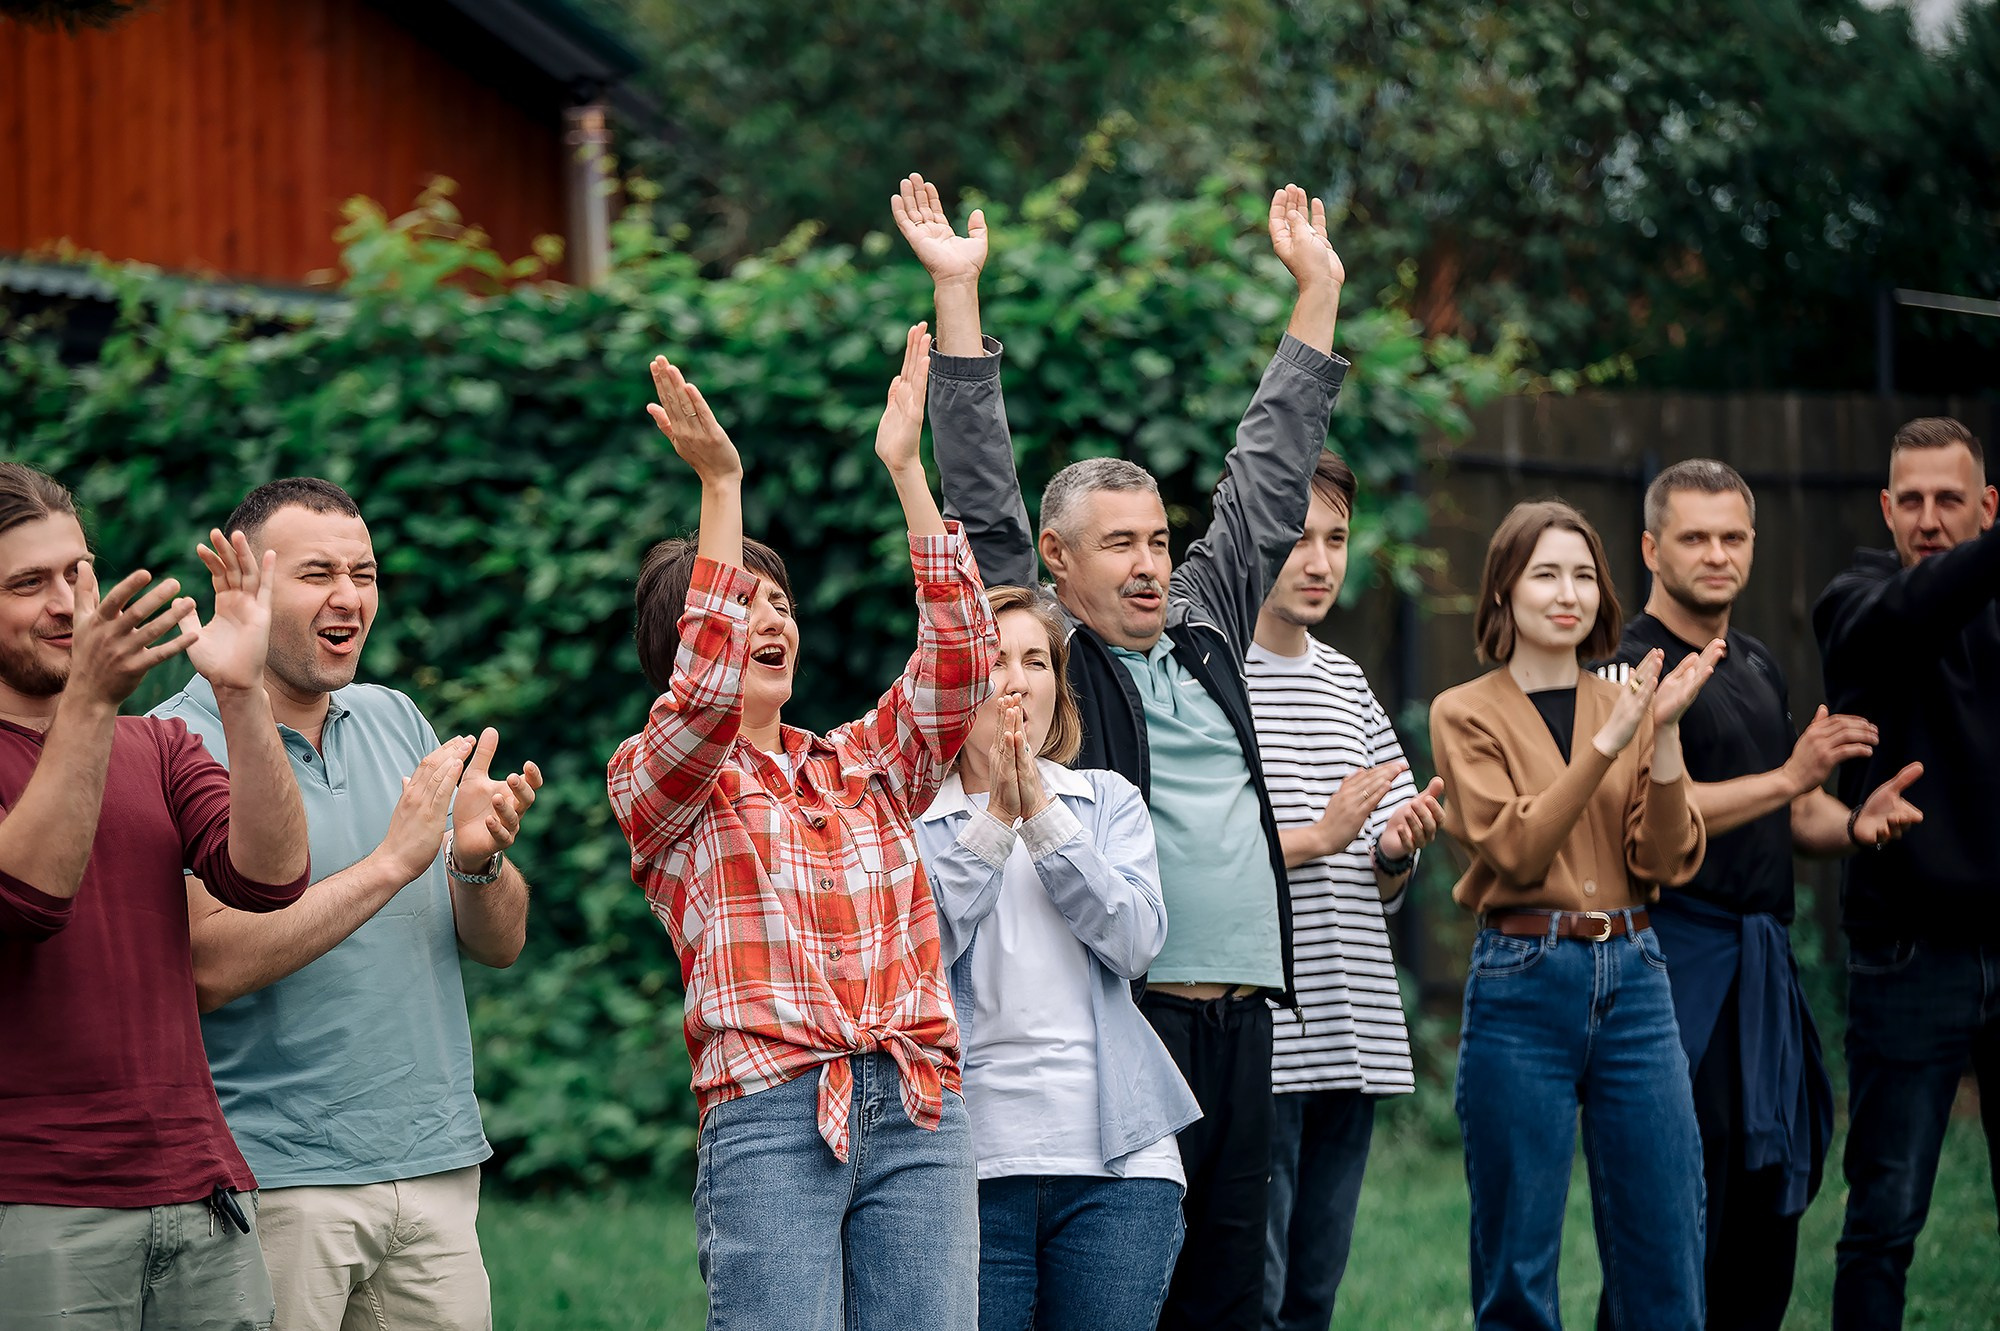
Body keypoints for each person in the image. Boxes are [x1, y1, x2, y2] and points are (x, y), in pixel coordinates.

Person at [901, 171, 1348, 1331]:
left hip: (1243, 1015)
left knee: (1230, 1301)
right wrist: (957, 294)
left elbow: (1266, 479)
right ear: (1057, 561)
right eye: (1118, 546)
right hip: (1135, 1013)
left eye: (1156, 539)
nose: (1149, 564)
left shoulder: (1204, 627)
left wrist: (1316, 293)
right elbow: (977, 488)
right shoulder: (1055, 651)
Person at [606, 325, 997, 1331]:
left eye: (778, 604)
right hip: (773, 1109)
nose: (770, 620)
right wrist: (721, 485)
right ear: (691, 638)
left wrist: (906, 469)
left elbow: (962, 660)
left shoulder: (863, 761)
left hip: (916, 1104)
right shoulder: (659, 783)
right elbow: (702, 697)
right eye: (742, 606)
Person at [151, 476, 542, 1330]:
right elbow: (207, 964)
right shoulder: (175, 741)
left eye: (363, 574)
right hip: (275, 1180)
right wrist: (390, 865)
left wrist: (477, 864)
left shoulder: (397, 718)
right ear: (246, 586)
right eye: (318, 573)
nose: (349, 597)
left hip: (435, 1164)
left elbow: (501, 943)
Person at [1596, 459, 1921, 1331]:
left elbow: (1794, 808)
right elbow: (1645, 814)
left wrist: (1853, 822)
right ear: (1651, 549)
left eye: (1732, 537)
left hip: (1762, 975)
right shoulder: (1629, 670)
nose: (1717, 554)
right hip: (1677, 974)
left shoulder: (1755, 661)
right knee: (1672, 1233)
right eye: (1695, 538)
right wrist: (1788, 778)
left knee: (1764, 1235)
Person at [0, 464, 311, 1329]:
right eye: (28, 583)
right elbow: (28, 896)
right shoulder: (99, 721)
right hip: (33, 1202)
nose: (66, 603)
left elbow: (272, 876)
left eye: (77, 571)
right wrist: (90, 701)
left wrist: (241, 691)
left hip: (202, 1192)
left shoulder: (162, 744)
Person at [1430, 498, 1717, 1331]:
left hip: (1637, 979)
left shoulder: (1630, 704)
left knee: (1666, 1248)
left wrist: (1663, 735)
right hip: (1522, 981)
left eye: (1584, 575)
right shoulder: (1465, 711)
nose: (1568, 593)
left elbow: (1664, 859)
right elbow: (1517, 850)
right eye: (1545, 574)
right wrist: (1610, 742)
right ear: (1503, 590)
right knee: (1518, 1270)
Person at [914, 584, 1200, 1331]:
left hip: (1119, 1169)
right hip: (968, 1167)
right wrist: (994, 824)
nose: (1015, 680)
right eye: (994, 659)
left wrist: (1040, 817)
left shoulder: (1107, 802)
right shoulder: (913, 821)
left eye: (1035, 661)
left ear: (1057, 689)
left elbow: (1135, 942)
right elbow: (915, 960)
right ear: (954, 685)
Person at [1245, 448, 1445, 1331]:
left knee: (1314, 1297)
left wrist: (1398, 849)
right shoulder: (1212, 674)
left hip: (1352, 1025)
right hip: (1262, 1034)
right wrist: (1322, 837)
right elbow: (1195, 855)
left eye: (1336, 538)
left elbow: (1383, 869)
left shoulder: (1347, 680)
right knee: (1254, 1294)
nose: (1321, 560)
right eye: (1299, 539)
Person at [1813, 417, 2000, 1330]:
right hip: (1907, 955)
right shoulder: (1856, 601)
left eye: (1950, 499)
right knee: (1883, 1222)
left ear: (1986, 505)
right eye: (1912, 500)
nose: (1930, 517)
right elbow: (1911, 612)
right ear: (1886, 509)